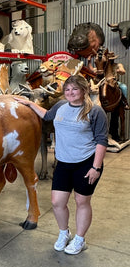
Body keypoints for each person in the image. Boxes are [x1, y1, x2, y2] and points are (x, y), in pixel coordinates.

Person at [15, 75, 108, 255]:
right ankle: (64, 233)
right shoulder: (60, 106)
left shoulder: (95, 112)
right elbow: (46, 115)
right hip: (63, 162)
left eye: (74, 89)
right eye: (67, 89)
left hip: (86, 162)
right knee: (57, 202)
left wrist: (95, 167)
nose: (70, 93)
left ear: (83, 90)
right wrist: (28, 104)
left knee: (82, 201)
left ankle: (79, 239)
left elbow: (102, 141)